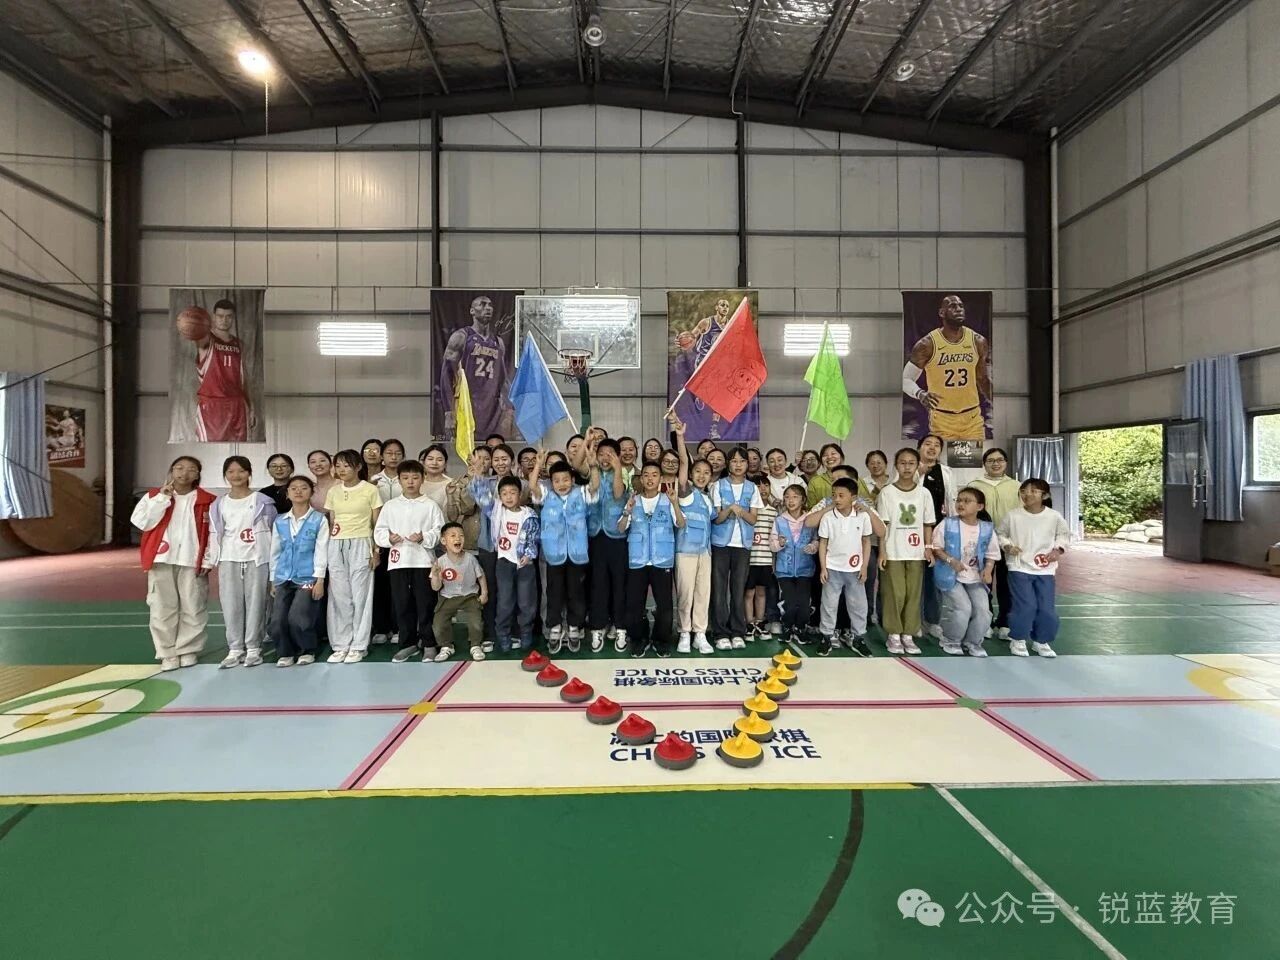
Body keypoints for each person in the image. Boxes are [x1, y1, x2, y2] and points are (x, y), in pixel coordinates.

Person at [130, 456, 216, 670]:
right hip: (161, 559)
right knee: (161, 608)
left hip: (192, 561)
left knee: (193, 607)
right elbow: (142, 522)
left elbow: (214, 533)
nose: (184, 473)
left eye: (191, 469)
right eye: (179, 468)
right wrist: (162, 499)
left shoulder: (208, 500)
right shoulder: (153, 496)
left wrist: (208, 558)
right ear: (171, 471)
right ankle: (167, 653)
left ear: (198, 474)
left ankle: (188, 649)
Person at [375, 460, 446, 663]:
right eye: (405, 478)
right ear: (399, 480)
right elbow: (379, 531)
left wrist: (424, 537)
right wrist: (389, 539)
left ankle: (429, 643)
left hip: (423, 561)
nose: (411, 482)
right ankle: (407, 644)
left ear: (422, 479)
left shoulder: (430, 505)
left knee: (426, 604)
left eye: (415, 477)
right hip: (398, 562)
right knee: (402, 604)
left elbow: (439, 531)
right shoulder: (391, 506)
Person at [211, 456, 276, 668]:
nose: (236, 475)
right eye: (231, 472)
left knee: (257, 603)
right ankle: (235, 648)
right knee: (231, 604)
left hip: (257, 560)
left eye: (241, 471)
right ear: (225, 475)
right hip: (229, 558)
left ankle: (254, 648)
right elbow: (214, 533)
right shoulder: (219, 504)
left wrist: (272, 561)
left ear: (249, 473)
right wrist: (211, 559)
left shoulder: (263, 501)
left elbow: (274, 532)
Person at [902, 293, 992, 441]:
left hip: (972, 419)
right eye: (953, 306)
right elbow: (905, 379)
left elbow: (982, 379)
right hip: (942, 419)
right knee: (944, 457)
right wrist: (920, 393)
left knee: (972, 457)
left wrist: (996, 404)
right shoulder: (927, 344)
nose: (959, 309)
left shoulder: (978, 341)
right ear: (942, 313)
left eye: (961, 306)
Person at [998, 478, 1070, 658]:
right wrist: (1007, 546)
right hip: (1019, 566)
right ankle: (1018, 638)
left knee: (1046, 608)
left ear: (1044, 495)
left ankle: (1041, 640)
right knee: (1026, 605)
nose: (1027, 494)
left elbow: (1064, 535)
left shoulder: (1054, 516)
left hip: (1045, 568)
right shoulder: (1013, 516)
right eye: (1023, 491)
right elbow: (1000, 534)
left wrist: (1057, 549)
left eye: (1033, 491)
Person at [619, 462, 685, 657]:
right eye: (646, 475)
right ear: (641, 479)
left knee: (664, 605)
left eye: (654, 475)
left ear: (661, 479)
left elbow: (681, 523)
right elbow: (621, 528)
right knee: (634, 605)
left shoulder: (668, 499)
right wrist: (627, 511)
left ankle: (661, 640)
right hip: (637, 560)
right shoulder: (634, 500)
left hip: (662, 560)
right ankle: (639, 639)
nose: (650, 478)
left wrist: (675, 503)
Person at [535, 456, 600, 655]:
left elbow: (595, 486)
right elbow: (533, 487)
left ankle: (574, 627)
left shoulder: (581, 493)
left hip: (577, 554)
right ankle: (555, 627)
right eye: (556, 480)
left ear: (572, 480)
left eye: (565, 479)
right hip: (554, 555)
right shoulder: (546, 495)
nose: (561, 484)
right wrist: (537, 465)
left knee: (576, 593)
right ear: (551, 482)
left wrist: (593, 466)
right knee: (554, 593)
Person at [323, 449, 382, 663]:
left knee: (361, 596)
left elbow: (377, 524)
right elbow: (332, 521)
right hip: (336, 544)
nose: (341, 470)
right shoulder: (333, 491)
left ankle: (359, 645)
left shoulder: (370, 490)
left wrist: (376, 551)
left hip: (361, 543)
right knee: (339, 596)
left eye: (346, 465)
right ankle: (341, 644)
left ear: (358, 467)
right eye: (338, 465)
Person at [877, 447, 936, 655]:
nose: (907, 467)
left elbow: (927, 524)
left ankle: (908, 634)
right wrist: (882, 552)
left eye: (911, 463)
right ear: (896, 465)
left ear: (918, 465)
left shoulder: (924, 493)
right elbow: (883, 526)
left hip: (916, 552)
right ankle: (894, 634)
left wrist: (928, 548)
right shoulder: (887, 493)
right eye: (903, 463)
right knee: (895, 593)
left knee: (913, 594)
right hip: (893, 551)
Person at [931, 487, 1000, 657]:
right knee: (963, 607)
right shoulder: (947, 524)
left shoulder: (987, 529)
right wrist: (951, 561)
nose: (961, 504)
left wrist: (988, 570)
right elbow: (936, 548)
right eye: (959, 500)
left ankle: (972, 642)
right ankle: (951, 640)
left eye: (967, 501)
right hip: (950, 575)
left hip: (975, 577)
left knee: (984, 611)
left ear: (980, 506)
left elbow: (992, 554)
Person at [816, 477, 881, 657]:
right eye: (834, 495)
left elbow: (866, 542)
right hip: (832, 568)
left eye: (841, 495)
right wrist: (823, 568)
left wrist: (864, 567)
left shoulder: (862, 516)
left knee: (858, 605)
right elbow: (823, 543)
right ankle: (827, 637)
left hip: (855, 569)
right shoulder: (828, 517)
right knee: (829, 604)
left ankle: (858, 637)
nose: (836, 499)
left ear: (853, 497)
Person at [269, 475, 329, 666]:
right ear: (287, 494)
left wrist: (320, 580)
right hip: (283, 577)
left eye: (303, 488)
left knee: (298, 617)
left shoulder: (319, 520)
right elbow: (275, 552)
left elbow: (321, 550)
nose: (298, 491)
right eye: (293, 488)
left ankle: (306, 650)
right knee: (277, 620)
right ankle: (285, 653)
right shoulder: (280, 521)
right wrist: (273, 579)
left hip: (307, 578)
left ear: (311, 492)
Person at [440, 295, 516, 438]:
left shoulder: (498, 342)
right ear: (472, 311)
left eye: (490, 305)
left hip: (491, 409)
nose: (488, 308)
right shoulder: (461, 337)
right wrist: (449, 412)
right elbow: (446, 375)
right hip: (466, 405)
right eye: (482, 304)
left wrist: (510, 409)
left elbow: (503, 380)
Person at [709, 447, 762, 650]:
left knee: (738, 589)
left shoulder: (752, 488)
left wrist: (741, 511)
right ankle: (720, 632)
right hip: (721, 544)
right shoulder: (718, 486)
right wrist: (729, 509)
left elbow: (753, 519)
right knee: (719, 590)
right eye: (734, 461)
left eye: (742, 461)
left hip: (743, 545)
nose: (738, 465)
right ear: (728, 464)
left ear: (748, 464)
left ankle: (738, 631)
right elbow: (716, 518)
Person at [672, 420, 714, 655]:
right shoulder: (686, 493)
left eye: (706, 473)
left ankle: (700, 634)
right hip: (685, 552)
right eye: (697, 471)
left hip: (705, 554)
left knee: (702, 594)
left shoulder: (708, 499)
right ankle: (684, 633)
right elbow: (683, 462)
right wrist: (681, 437)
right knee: (685, 595)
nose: (701, 475)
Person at [970, 447, 1020, 640]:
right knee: (983, 583)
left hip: (1009, 543)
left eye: (999, 460)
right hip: (981, 542)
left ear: (1006, 463)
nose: (995, 464)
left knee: (1008, 585)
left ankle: (1005, 623)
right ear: (984, 464)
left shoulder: (1017, 486)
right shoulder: (975, 486)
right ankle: (985, 621)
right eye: (991, 460)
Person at [588, 439, 630, 653]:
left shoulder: (624, 474)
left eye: (610, 454)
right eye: (601, 453)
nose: (605, 458)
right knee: (598, 584)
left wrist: (617, 468)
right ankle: (598, 626)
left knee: (619, 584)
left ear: (617, 456)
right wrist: (592, 463)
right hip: (596, 536)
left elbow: (618, 494)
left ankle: (620, 626)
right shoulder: (591, 472)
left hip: (618, 537)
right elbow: (593, 494)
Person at [194, 298, 255, 442]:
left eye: (229, 317)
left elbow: (244, 379)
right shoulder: (206, 339)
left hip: (237, 404)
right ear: (214, 317)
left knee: (240, 449)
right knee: (210, 449)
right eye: (220, 316)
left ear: (233, 318)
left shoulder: (239, 344)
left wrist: (251, 407)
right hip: (212, 405)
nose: (224, 320)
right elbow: (196, 333)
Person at [492, 476, 540, 653]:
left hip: (524, 564)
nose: (509, 496)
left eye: (512, 492)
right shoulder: (497, 512)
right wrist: (478, 473)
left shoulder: (529, 514)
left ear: (520, 494)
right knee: (505, 601)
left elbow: (534, 537)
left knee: (526, 601)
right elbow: (480, 496)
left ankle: (525, 632)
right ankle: (503, 633)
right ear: (499, 496)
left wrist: (529, 554)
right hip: (504, 562)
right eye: (504, 493)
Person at [916, 433, 956, 643]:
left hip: (938, 531)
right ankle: (914, 621)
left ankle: (933, 621)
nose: (932, 448)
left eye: (936, 445)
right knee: (915, 578)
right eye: (927, 444)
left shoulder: (946, 472)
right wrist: (917, 473)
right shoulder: (910, 468)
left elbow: (952, 503)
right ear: (919, 447)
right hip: (912, 531)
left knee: (933, 578)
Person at [430, 523, 488, 662]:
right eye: (453, 535)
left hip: (469, 596)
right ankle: (446, 646)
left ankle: (475, 645)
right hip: (448, 597)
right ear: (443, 541)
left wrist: (484, 593)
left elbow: (481, 576)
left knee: (475, 621)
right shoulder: (440, 562)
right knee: (438, 624)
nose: (458, 538)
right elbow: (436, 588)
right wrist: (436, 575)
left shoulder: (470, 558)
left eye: (461, 536)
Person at [772, 483, 816, 647]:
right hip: (784, 570)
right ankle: (787, 626)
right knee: (789, 602)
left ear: (803, 500)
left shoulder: (810, 520)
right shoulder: (779, 520)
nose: (790, 500)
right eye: (787, 497)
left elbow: (817, 539)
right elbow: (772, 545)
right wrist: (780, 544)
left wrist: (813, 547)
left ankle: (800, 628)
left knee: (804, 603)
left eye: (795, 497)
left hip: (805, 569)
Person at [859, 450, 892, 625]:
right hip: (870, 538)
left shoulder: (894, 483)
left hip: (891, 537)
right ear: (867, 465)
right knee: (869, 578)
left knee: (887, 580)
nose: (876, 465)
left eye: (879, 462)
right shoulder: (862, 484)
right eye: (872, 462)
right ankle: (867, 614)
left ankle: (883, 613)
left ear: (886, 464)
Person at [746, 473, 780, 638]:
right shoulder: (749, 511)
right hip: (750, 560)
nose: (763, 489)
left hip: (766, 560)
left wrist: (773, 560)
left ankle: (759, 622)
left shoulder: (774, 512)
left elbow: (774, 538)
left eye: (766, 485)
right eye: (758, 486)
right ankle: (749, 623)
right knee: (748, 593)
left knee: (761, 592)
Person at [420, 444, 453, 512]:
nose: (434, 463)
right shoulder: (417, 482)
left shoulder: (451, 484)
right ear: (423, 462)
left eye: (439, 460)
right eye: (430, 459)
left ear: (445, 464)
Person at [307, 449, 337, 515]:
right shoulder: (310, 490)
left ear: (331, 464)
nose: (318, 464)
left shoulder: (343, 484)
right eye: (313, 462)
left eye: (322, 460)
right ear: (309, 466)